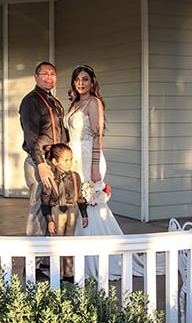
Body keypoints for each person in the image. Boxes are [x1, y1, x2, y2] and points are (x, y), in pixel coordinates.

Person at [67, 64, 124, 280]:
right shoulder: (76, 103)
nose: (81, 83)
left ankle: (97, 262)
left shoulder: (94, 103)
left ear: (92, 82)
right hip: (74, 159)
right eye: (77, 79)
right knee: (81, 206)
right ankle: (82, 258)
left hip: (90, 158)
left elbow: (98, 136)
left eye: (85, 79)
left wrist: (94, 166)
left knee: (90, 206)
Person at [19, 61, 67, 236]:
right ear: (36, 77)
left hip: (54, 160)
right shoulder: (30, 101)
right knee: (38, 206)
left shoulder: (53, 101)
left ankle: (48, 257)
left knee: (52, 208)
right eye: (45, 73)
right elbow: (31, 137)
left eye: (52, 74)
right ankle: (34, 259)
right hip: (39, 161)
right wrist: (40, 164)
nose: (49, 77)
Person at [40, 143, 88, 281]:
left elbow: (79, 197)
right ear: (55, 161)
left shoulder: (75, 176)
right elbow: (45, 201)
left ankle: (68, 272)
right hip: (56, 211)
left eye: (71, 159)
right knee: (57, 243)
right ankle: (57, 273)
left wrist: (84, 214)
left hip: (72, 210)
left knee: (69, 242)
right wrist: (49, 220)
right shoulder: (50, 178)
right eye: (65, 160)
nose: (69, 163)